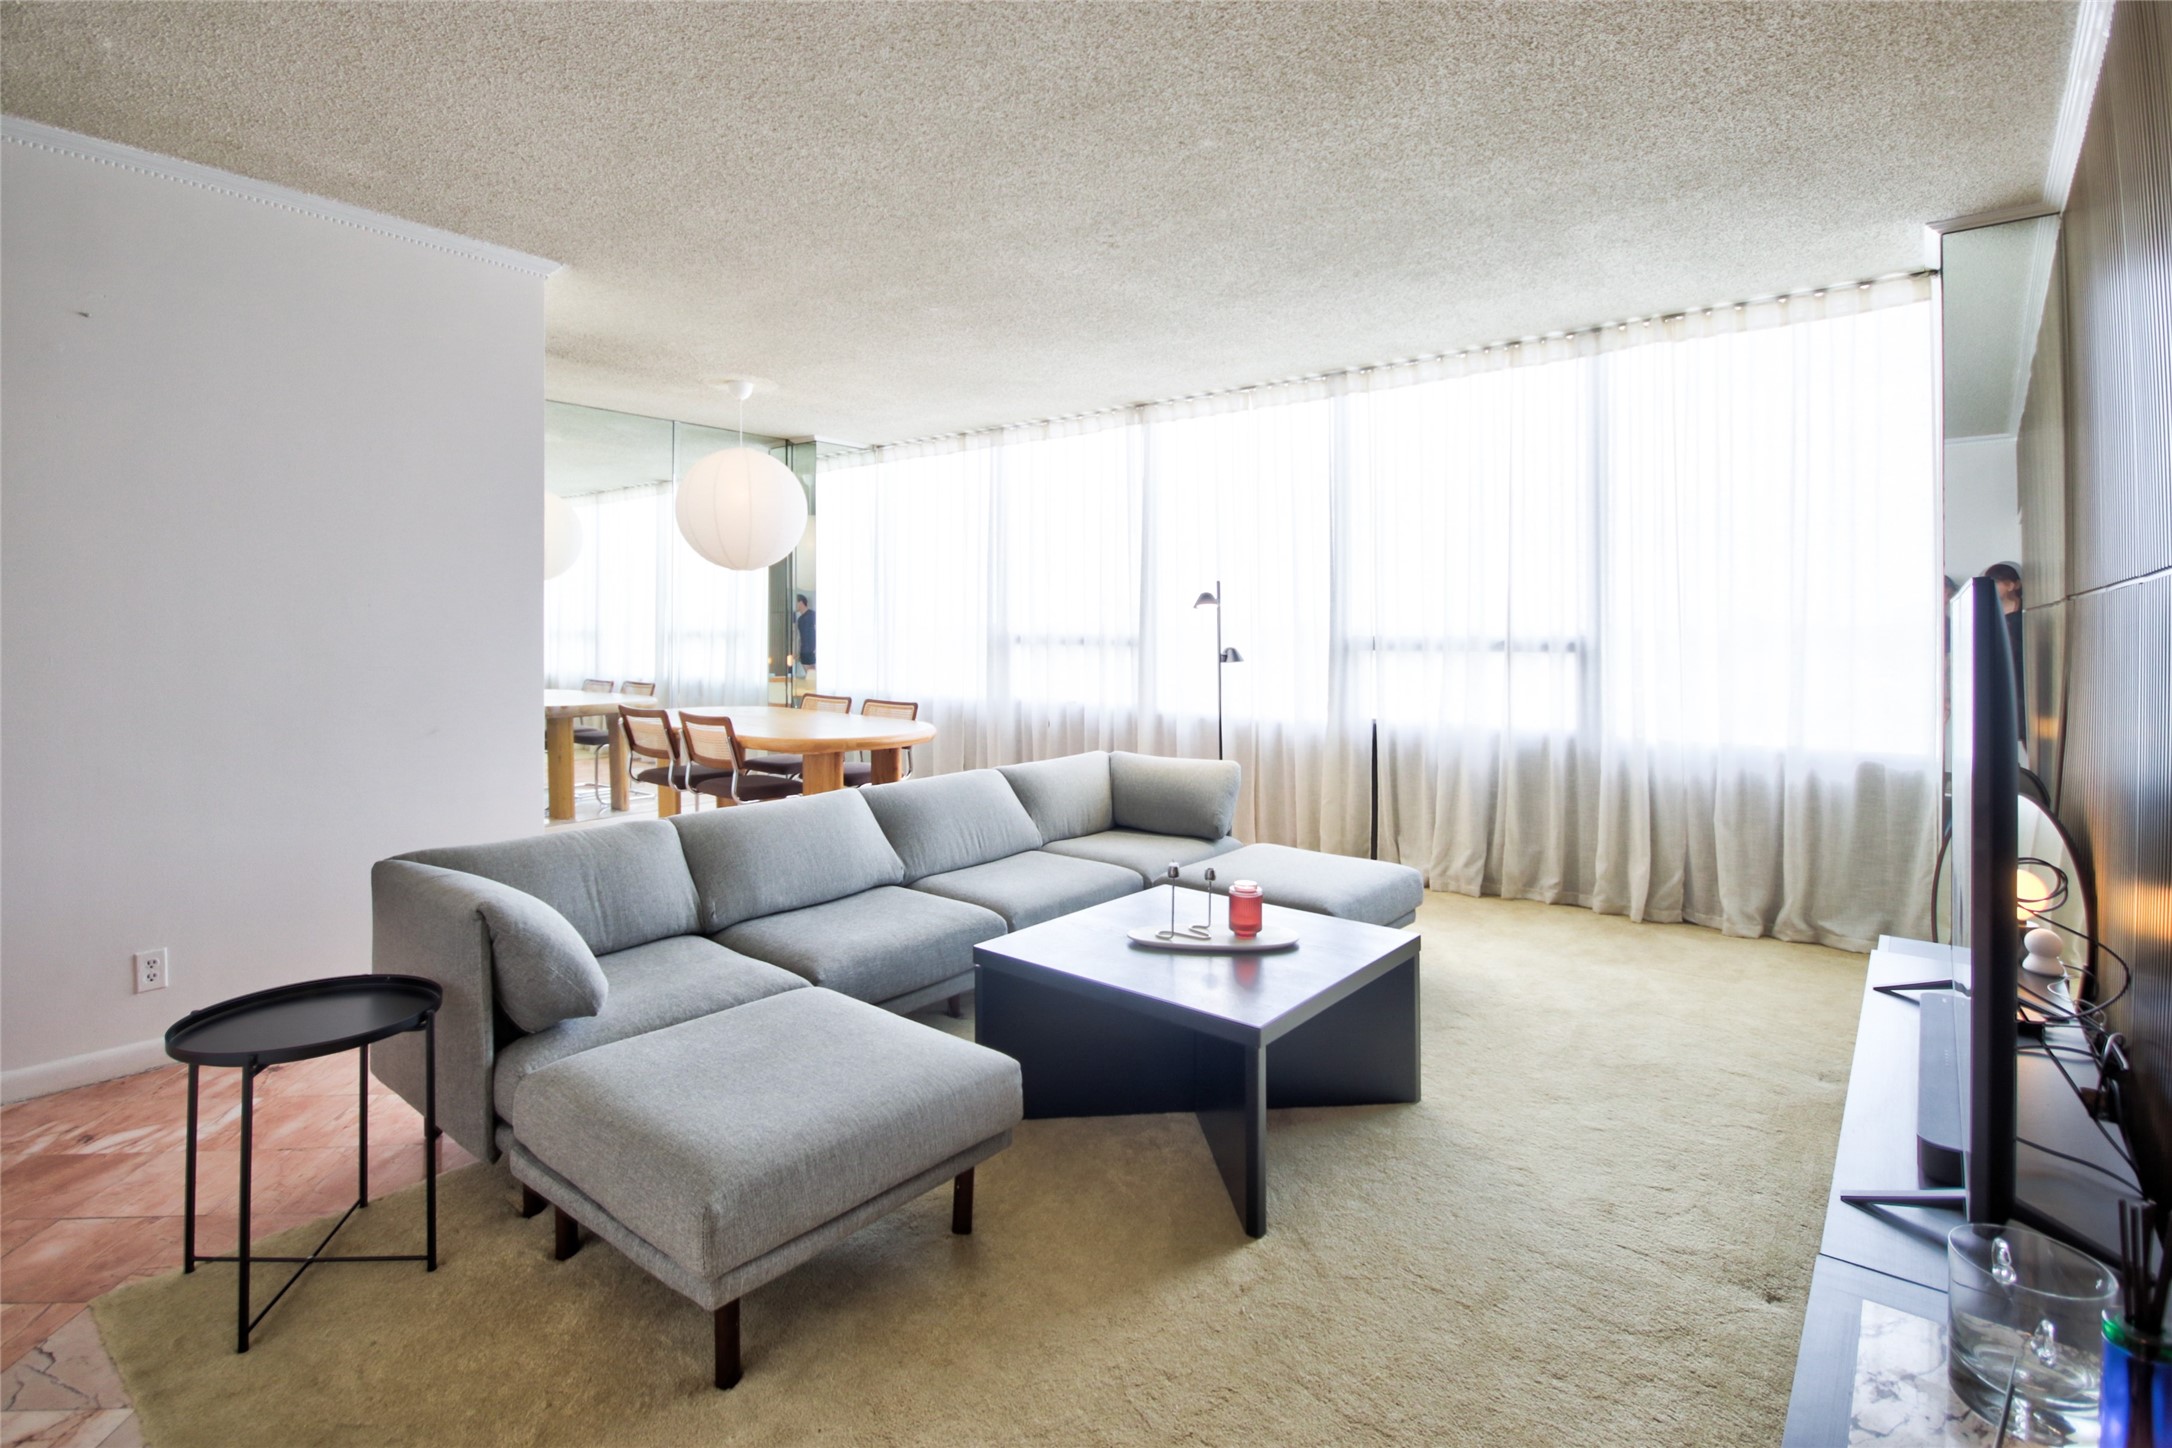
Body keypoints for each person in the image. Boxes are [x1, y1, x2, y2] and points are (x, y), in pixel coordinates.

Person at [1985, 562, 2024, 732]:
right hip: (2005, 674)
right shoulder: (1991, 614)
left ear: (2011, 585)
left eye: (1996, 582)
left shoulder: (2026, 610)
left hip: (2023, 670)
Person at [792, 593, 816, 675]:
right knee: (810, 676)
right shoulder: (800, 619)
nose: (795, 606)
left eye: (795, 603)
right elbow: (798, 637)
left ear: (800, 602)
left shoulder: (813, 615)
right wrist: (797, 652)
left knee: (812, 676)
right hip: (804, 652)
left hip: (811, 651)